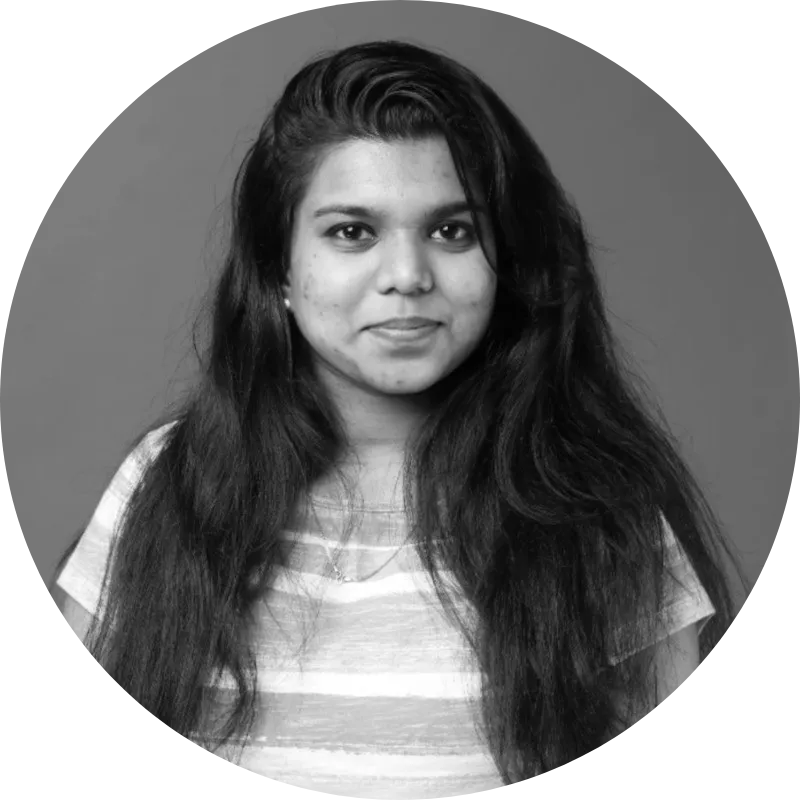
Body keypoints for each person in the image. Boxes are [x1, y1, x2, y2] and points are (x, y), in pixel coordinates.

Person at [48, 39, 749, 791]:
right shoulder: (166, 486)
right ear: (279, 269)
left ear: (504, 260)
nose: (408, 277)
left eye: (452, 231)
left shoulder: (600, 507)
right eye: (353, 232)